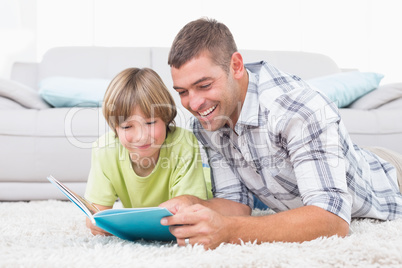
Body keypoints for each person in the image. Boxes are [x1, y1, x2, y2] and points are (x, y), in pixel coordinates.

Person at [159, 18, 402, 249]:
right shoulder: (206, 123)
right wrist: (193, 204)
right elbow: (236, 203)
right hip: (346, 159)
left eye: (204, 85)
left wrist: (230, 231)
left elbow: (332, 219)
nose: (195, 103)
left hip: (388, 174)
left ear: (236, 66)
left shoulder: (298, 109)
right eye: (182, 92)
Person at [84, 67, 212, 235]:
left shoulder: (184, 144)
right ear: (115, 128)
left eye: (150, 123)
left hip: (211, 189)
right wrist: (100, 225)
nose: (141, 136)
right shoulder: (105, 150)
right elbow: (95, 217)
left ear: (166, 118)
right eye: (127, 126)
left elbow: (187, 214)